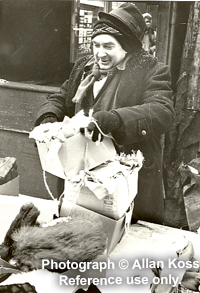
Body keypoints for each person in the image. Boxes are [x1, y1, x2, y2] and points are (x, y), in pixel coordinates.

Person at [35, 3, 175, 225]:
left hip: (125, 179)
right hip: (81, 172)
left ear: (126, 47)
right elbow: (60, 97)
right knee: (79, 230)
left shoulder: (151, 70)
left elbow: (162, 112)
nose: (100, 53)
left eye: (108, 46)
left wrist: (114, 120)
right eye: (95, 45)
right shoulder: (85, 66)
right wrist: (48, 118)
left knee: (126, 240)